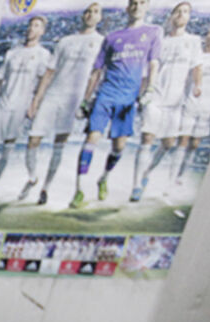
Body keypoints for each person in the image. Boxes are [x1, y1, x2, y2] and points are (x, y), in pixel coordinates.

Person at [69, 0, 162, 209]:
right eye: (133, 3)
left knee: (118, 147)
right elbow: (96, 71)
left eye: (142, 2)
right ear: (128, 8)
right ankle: (79, 190)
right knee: (91, 139)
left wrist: (150, 89)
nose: (137, 6)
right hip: (105, 95)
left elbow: (153, 64)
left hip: (127, 99)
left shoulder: (153, 32)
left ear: (146, 7)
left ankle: (103, 177)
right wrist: (86, 100)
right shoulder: (112, 37)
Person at [25, 3, 105, 204]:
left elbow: (96, 75)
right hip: (54, 95)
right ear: (83, 15)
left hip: (74, 100)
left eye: (95, 11)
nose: (90, 14)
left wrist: (87, 101)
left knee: (59, 144)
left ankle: (45, 188)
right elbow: (50, 71)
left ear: (100, 17)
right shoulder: (66, 41)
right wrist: (37, 99)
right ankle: (33, 177)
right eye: (87, 11)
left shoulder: (101, 42)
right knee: (33, 140)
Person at [131, 1, 202, 201]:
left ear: (189, 17)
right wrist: (141, 92)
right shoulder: (159, 40)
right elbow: (147, 69)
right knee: (147, 138)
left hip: (176, 101)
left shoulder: (193, 41)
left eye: (185, 12)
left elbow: (197, 66)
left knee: (169, 143)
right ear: (171, 16)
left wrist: (198, 85)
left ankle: (146, 173)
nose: (181, 14)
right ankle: (136, 186)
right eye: (178, 11)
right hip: (155, 97)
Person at [0, 15, 51, 197]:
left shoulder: (43, 55)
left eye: (36, 26)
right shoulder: (12, 53)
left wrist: (35, 104)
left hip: (21, 105)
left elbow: (44, 81)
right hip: (2, 103)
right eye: (30, 25)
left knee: (8, 145)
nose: (32, 29)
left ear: (42, 31)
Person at [173, 23, 210, 185]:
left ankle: (182, 174)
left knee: (194, 143)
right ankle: (173, 177)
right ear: (205, 35)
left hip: (206, 106)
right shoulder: (196, 55)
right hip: (189, 102)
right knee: (183, 140)